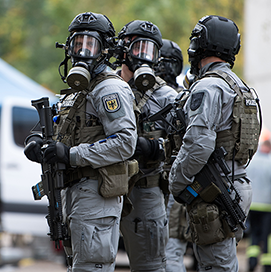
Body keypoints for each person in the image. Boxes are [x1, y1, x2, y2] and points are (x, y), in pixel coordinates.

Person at [24, 12, 137, 272]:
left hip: (96, 194)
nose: (82, 51)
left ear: (104, 50)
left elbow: (125, 143)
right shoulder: (78, 93)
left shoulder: (109, 89)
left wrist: (70, 155)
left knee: (91, 267)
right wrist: (36, 141)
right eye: (77, 44)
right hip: (73, 194)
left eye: (90, 44)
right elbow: (54, 125)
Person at [169, 15, 260, 271]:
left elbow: (198, 144)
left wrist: (176, 180)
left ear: (202, 44)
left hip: (215, 190)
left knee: (216, 266)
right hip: (236, 182)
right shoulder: (240, 86)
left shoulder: (207, 87)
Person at [115, 20, 177, 272]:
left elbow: (190, 145)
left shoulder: (168, 97)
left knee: (151, 267)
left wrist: (157, 148)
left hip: (146, 189)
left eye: (150, 49)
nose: (143, 56)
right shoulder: (105, 88)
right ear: (123, 49)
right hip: (102, 190)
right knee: (91, 264)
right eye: (137, 47)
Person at [154, 38, 190, 272]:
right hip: (153, 187)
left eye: (168, 63)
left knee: (171, 253)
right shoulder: (147, 98)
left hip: (173, 188)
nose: (164, 69)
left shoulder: (181, 99)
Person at [246, 138, 271, 272]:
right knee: (267, 236)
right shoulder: (270, 162)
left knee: (254, 234)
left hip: (252, 204)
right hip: (267, 206)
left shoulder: (252, 162)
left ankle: (252, 261)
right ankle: (267, 265)